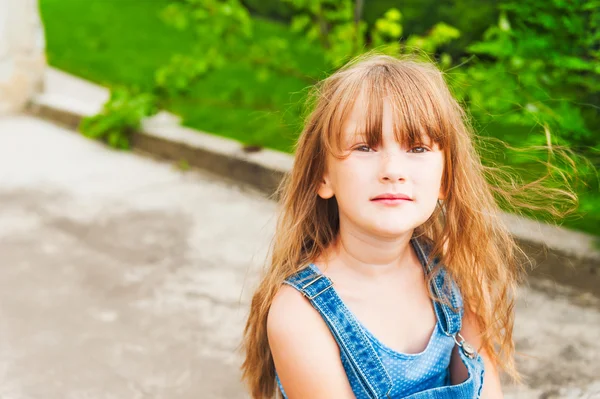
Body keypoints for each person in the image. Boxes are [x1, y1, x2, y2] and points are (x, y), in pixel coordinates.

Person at [240, 52, 572, 398]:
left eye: (417, 148)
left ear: (445, 179)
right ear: (323, 177)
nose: (392, 170)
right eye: (365, 146)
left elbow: (485, 381)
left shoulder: (456, 269)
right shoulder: (300, 316)